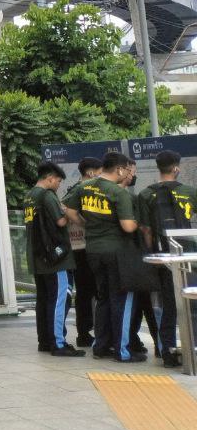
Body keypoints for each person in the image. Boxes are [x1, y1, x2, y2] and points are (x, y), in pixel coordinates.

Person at [78, 151, 145, 362]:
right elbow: (128, 226)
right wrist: (141, 223)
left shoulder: (85, 187)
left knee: (103, 298)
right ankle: (123, 351)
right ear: (119, 169)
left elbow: (68, 210)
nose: (128, 173)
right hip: (116, 252)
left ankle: (100, 346)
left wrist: (87, 225)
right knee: (121, 299)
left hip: (93, 250)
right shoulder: (118, 192)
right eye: (127, 169)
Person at [137, 149, 197, 368]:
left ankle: (167, 352)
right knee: (192, 302)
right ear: (176, 168)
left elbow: (145, 229)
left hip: (163, 256)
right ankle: (193, 349)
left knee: (168, 304)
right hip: (188, 254)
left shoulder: (146, 194)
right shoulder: (189, 191)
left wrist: (152, 251)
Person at [25, 162, 81, 356]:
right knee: (58, 299)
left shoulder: (29, 196)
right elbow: (61, 221)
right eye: (58, 181)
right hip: (55, 258)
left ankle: (45, 341)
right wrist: (68, 211)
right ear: (49, 178)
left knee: (44, 300)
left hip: (37, 256)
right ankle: (58, 343)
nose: (58, 185)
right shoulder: (47, 195)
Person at [122, 157, 161, 357]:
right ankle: (160, 346)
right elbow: (143, 228)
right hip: (139, 256)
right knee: (146, 303)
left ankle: (134, 341)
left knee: (138, 303)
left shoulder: (128, 196)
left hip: (129, 257)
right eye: (132, 171)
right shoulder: (130, 198)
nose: (134, 175)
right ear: (123, 170)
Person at [63, 156, 102, 348]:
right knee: (90, 291)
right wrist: (89, 225)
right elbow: (68, 212)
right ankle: (87, 333)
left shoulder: (72, 190)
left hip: (78, 247)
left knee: (85, 292)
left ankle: (85, 333)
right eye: (100, 173)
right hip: (83, 247)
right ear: (91, 173)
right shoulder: (82, 191)